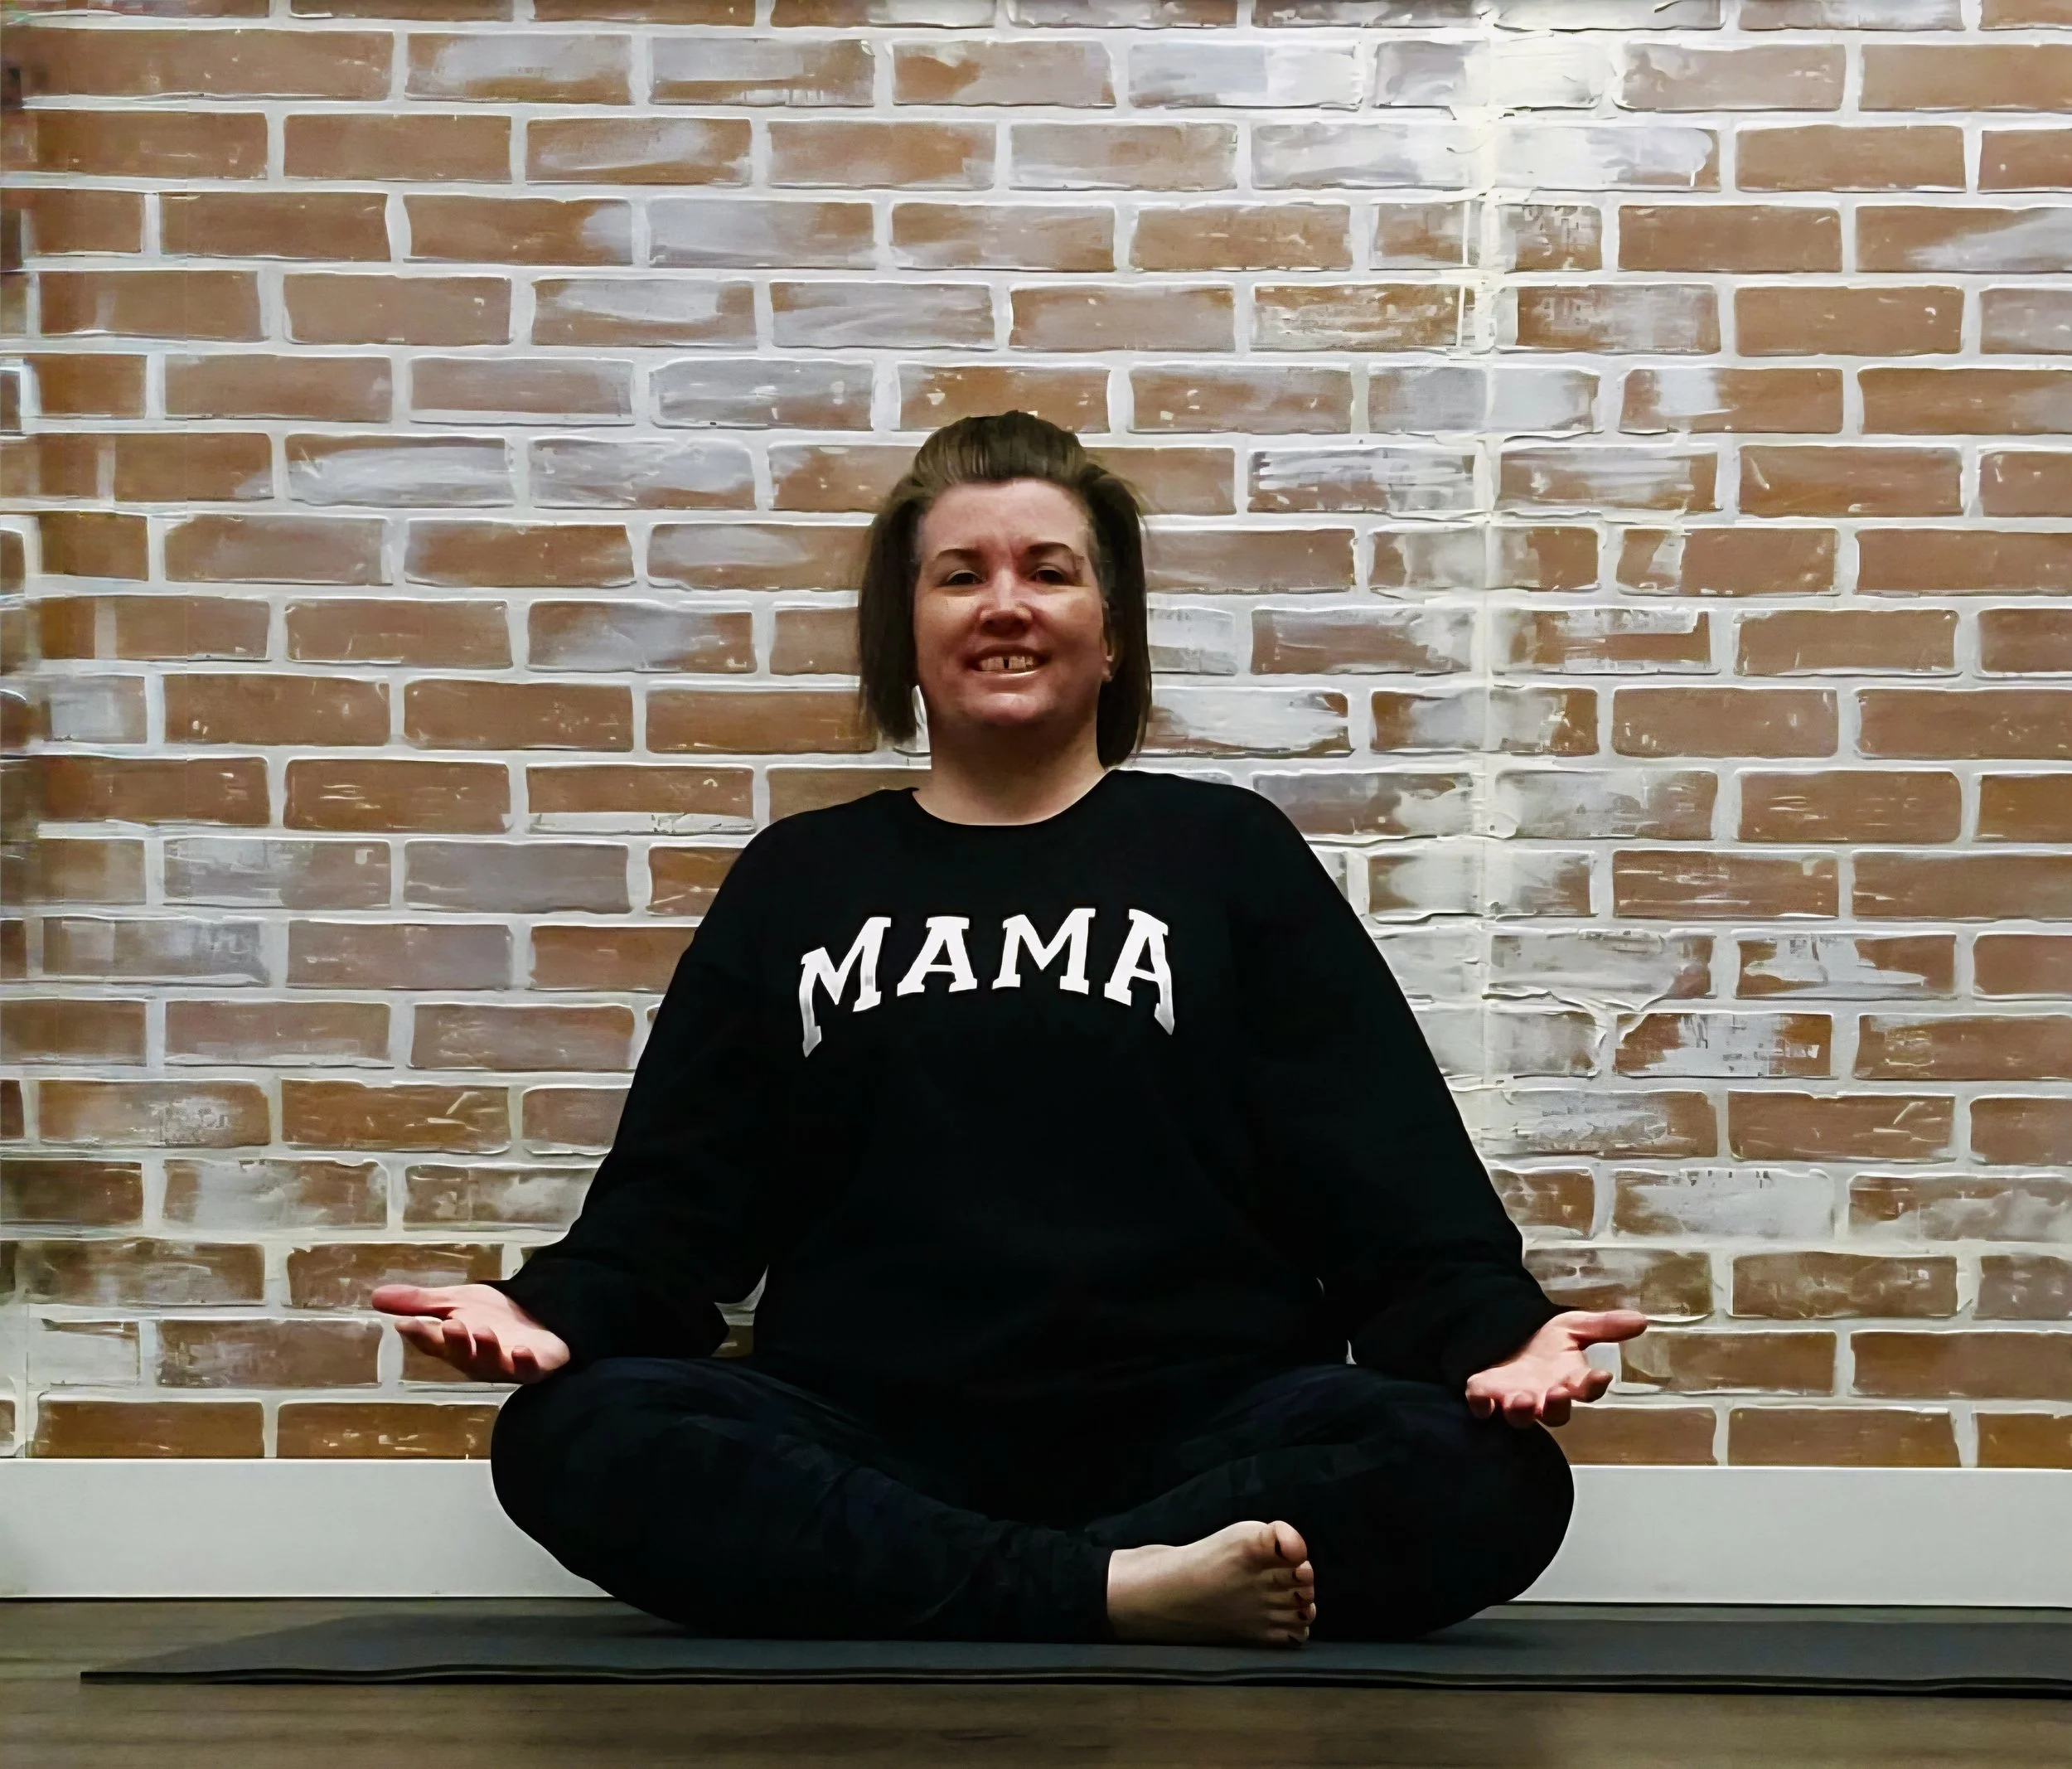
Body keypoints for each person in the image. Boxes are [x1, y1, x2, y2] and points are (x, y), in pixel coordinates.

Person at [375, 411, 1646, 1649]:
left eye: (1048, 570)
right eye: (959, 575)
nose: (1005, 605)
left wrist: (1503, 1335)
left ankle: (976, 1581)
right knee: (571, 1435)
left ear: (1111, 630)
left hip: (1199, 1427)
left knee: (1488, 1472)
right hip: (872, 1429)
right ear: (906, 631)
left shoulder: (1225, 855)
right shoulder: (800, 878)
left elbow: (1387, 1181)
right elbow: (674, 1205)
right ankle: (1120, 1588)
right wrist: (550, 1308)